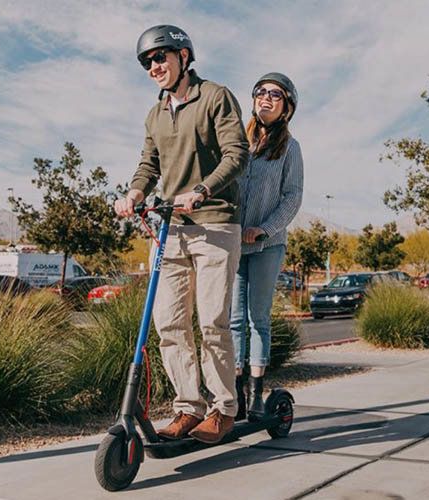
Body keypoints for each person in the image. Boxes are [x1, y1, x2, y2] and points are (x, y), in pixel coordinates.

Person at [115, 25, 249, 443]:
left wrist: (203, 190)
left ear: (184, 57)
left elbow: (237, 154)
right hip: (171, 228)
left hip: (214, 222)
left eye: (161, 57)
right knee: (169, 323)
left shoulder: (215, 96)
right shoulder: (155, 114)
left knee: (211, 320)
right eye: (147, 62)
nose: (154, 66)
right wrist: (135, 191)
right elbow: (149, 164)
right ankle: (187, 407)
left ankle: (224, 408)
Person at [230, 73, 303, 421]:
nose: (266, 98)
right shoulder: (237, 142)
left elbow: (293, 196)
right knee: (232, 321)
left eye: (275, 95)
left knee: (257, 319)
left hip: (267, 245)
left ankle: (258, 394)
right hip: (231, 244)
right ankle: (236, 394)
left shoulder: (290, 148)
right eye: (260, 92)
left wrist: (264, 228)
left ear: (287, 106)